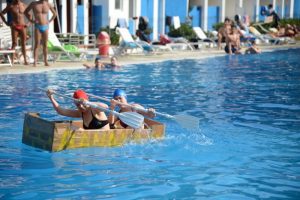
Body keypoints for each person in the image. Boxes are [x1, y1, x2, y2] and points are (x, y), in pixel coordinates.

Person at [24, 0, 56, 67]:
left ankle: (45, 61)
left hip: (46, 26)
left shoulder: (48, 4)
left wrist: (49, 21)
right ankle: (35, 62)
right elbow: (25, 12)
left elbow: (55, 14)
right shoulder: (34, 3)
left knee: (45, 45)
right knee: (37, 44)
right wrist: (31, 20)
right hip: (38, 26)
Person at [0, 0, 30, 65]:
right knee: (14, 43)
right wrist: (6, 22)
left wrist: (28, 23)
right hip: (14, 26)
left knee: (23, 43)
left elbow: (30, 15)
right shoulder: (11, 6)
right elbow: (1, 13)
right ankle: (12, 61)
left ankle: (25, 60)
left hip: (23, 26)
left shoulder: (24, 5)